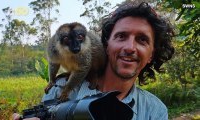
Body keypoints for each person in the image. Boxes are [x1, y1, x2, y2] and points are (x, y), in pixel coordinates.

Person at [13, 2, 174, 120]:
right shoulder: (58, 90)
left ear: (151, 55)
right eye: (121, 36)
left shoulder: (154, 112)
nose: (130, 47)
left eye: (142, 40)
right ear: (107, 45)